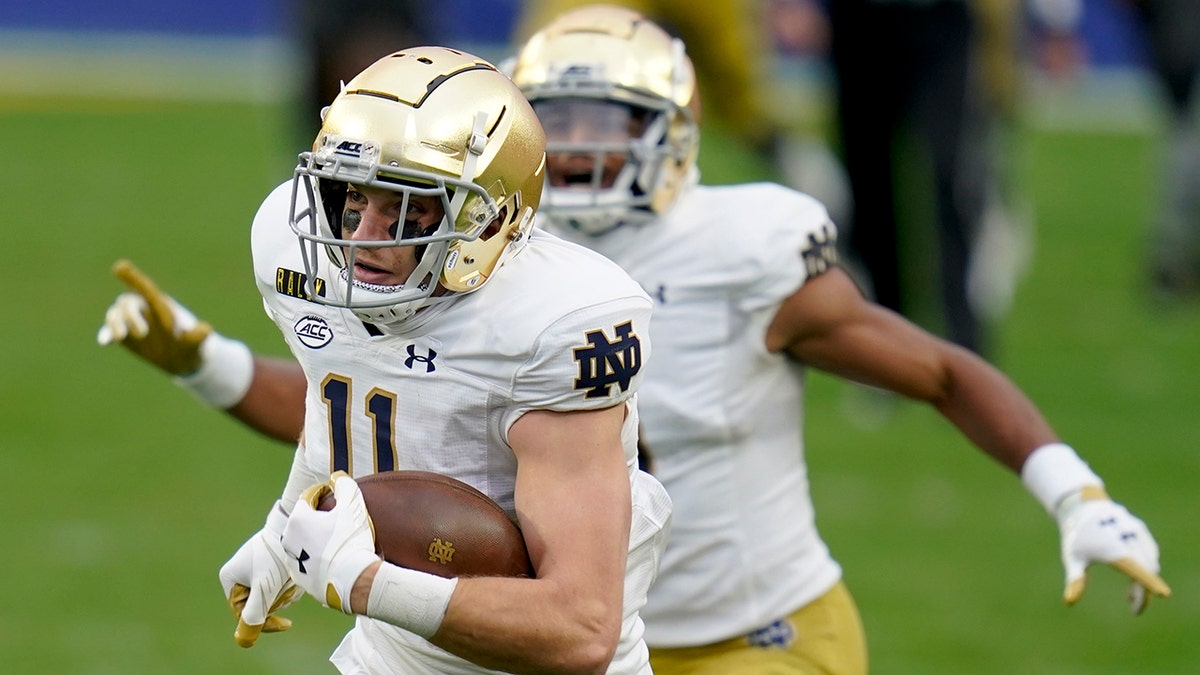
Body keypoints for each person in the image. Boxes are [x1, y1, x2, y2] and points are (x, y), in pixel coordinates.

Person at [100, 7, 1170, 674]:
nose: (576, 153)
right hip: (467, 631)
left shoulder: (706, 261)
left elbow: (935, 367)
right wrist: (270, 474)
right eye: (557, 123)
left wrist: (1075, 492)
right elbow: (372, 414)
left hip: (748, 628)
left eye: (607, 127)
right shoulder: (362, 247)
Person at [100, 46, 672, 674]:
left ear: (486, 218)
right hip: (389, 657)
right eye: (351, 199)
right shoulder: (300, 253)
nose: (363, 237)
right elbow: (342, 397)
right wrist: (289, 522)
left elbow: (580, 632)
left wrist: (369, 583)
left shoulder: (552, 322)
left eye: (404, 209)